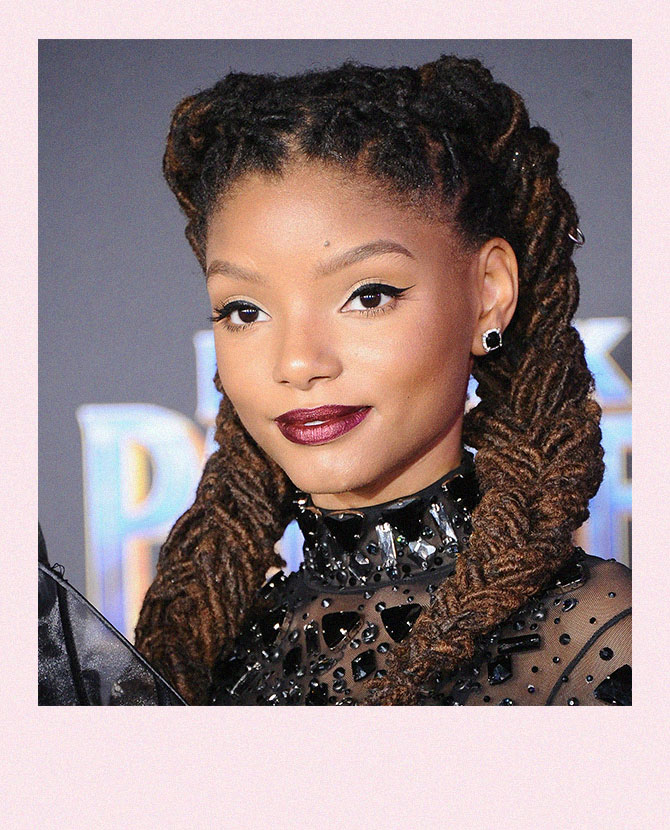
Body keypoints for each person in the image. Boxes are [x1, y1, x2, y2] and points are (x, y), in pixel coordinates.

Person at [134, 54, 631, 706]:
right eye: (245, 311)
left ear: (488, 294)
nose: (297, 363)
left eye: (367, 296)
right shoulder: (199, 658)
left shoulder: (604, 642)